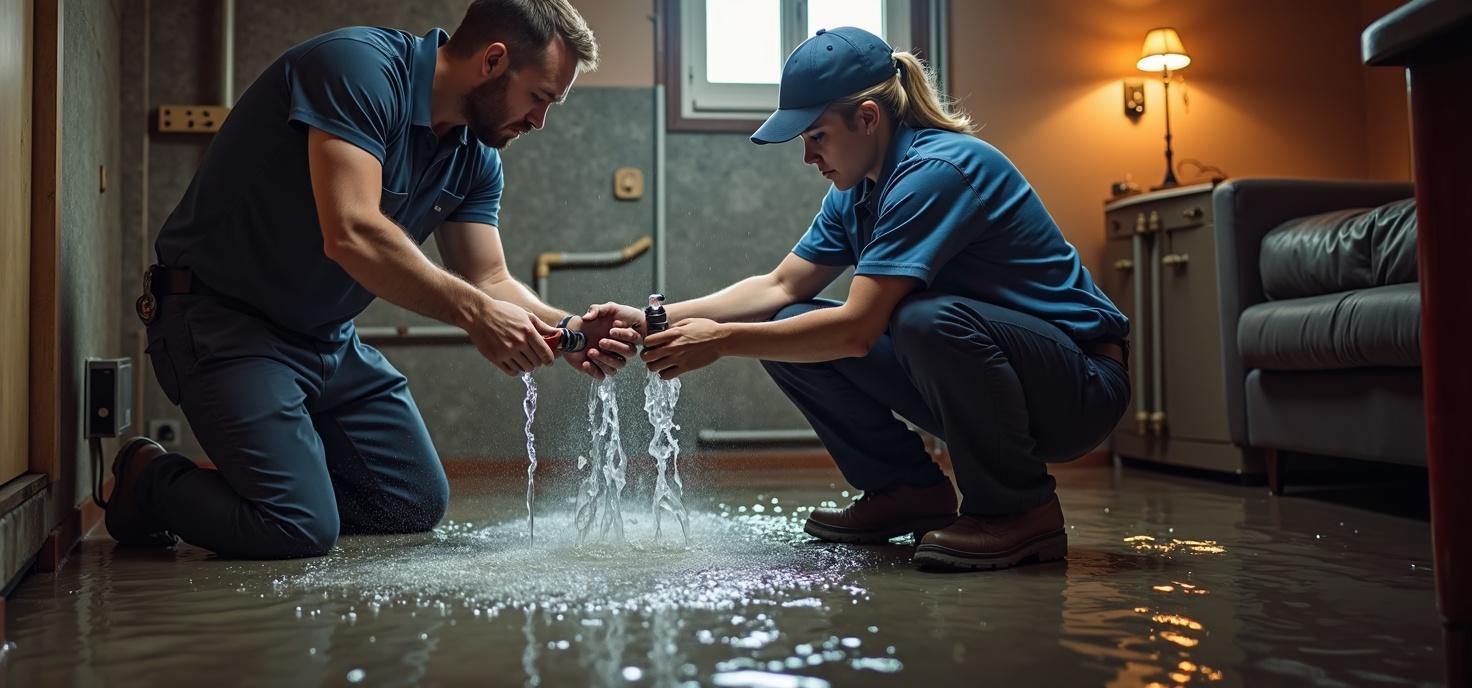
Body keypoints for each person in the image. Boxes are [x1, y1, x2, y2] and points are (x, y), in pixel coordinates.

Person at [103, 0, 643, 559]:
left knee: (410, 502)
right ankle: (147, 478)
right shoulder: (357, 69)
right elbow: (352, 231)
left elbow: (487, 276)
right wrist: (476, 314)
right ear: (493, 60)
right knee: (296, 527)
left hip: (328, 339)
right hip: (222, 321)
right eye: (539, 97)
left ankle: (293, 485)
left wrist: (569, 328)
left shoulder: (476, 157)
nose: (539, 121)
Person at [632, 27, 1130, 570]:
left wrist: (723, 341)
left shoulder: (937, 172)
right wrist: (649, 319)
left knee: (922, 318)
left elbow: (857, 330)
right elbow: (780, 287)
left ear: (868, 118)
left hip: (1077, 389)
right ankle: (906, 491)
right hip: (991, 384)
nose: (808, 156)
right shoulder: (855, 192)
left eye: (817, 136)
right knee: (787, 321)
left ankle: (1019, 509)